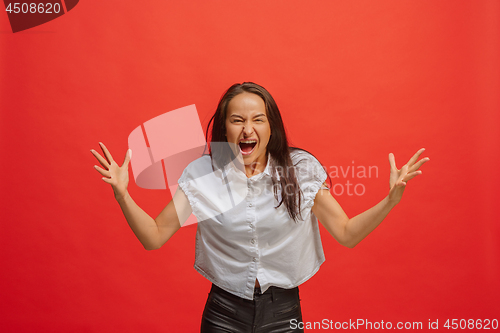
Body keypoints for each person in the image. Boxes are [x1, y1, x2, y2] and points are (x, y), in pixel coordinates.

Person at [90, 82, 429, 332]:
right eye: (237, 120)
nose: (247, 129)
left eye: (258, 120)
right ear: (224, 127)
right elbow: (154, 236)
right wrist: (123, 193)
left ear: (271, 127)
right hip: (223, 311)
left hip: (284, 312)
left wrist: (390, 201)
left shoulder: (301, 170)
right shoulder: (203, 174)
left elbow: (346, 233)